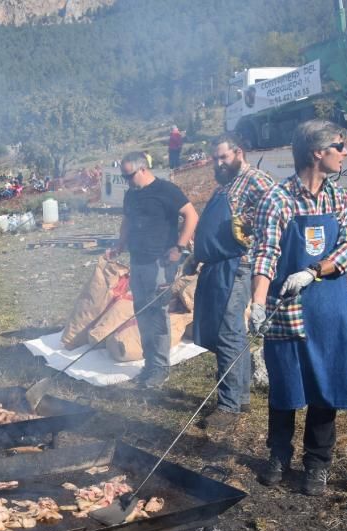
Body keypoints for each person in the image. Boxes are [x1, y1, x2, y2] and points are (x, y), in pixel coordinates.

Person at [250, 120, 347, 496]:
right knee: (285, 384)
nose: (345, 152)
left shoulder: (340, 197)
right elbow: (265, 254)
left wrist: (315, 271)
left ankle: (317, 463)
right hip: (287, 307)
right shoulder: (278, 199)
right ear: (318, 152)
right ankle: (278, 456)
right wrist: (256, 302)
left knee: (325, 385)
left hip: (328, 305)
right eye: (340, 146)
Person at [193, 134, 275, 430]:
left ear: (238, 152)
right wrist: (197, 254)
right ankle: (240, 397)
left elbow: (278, 210)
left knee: (228, 333)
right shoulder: (226, 184)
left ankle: (228, 407)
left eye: (223, 157)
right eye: (214, 158)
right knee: (230, 333)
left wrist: (252, 223)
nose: (218, 163)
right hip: (217, 264)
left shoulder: (254, 179)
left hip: (238, 266)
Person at [107, 151, 199, 388]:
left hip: (161, 263)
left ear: (143, 169)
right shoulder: (132, 194)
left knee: (156, 312)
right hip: (137, 261)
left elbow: (191, 215)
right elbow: (127, 221)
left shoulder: (166, 190)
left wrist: (179, 247)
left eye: (129, 176)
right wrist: (120, 244)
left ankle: (160, 368)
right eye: (124, 177)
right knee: (142, 313)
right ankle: (149, 364)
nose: (127, 181)